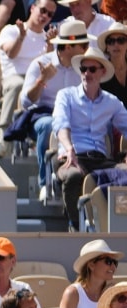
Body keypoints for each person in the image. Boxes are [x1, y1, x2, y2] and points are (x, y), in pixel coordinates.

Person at [53, 45, 127, 231]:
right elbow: (60, 124)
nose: (87, 73)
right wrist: (69, 148)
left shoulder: (112, 102)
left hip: (100, 160)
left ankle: (115, 226)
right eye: (83, 69)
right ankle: (75, 227)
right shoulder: (66, 95)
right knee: (73, 176)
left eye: (92, 69)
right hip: (72, 156)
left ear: (102, 72)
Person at [22, 20, 87, 205]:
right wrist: (42, 80)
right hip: (44, 116)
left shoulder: (85, 67)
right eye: (83, 45)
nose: (86, 48)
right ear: (67, 47)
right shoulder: (41, 64)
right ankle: (45, 183)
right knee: (50, 125)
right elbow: (25, 102)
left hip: (75, 118)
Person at [0, 0, 58, 158]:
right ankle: (3, 140)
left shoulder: (47, 38)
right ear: (32, 8)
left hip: (35, 80)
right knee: (19, 86)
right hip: (14, 79)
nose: (45, 16)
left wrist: (49, 45)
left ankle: (35, 141)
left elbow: (46, 65)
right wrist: (21, 36)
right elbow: (11, 53)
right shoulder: (11, 30)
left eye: (50, 14)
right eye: (43, 10)